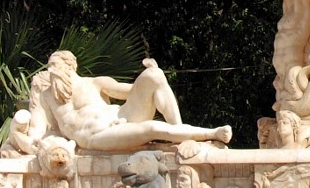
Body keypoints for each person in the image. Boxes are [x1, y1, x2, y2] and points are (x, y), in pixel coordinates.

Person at [27, 50, 232, 152]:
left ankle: (180, 131)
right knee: (151, 127)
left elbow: (131, 92)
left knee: (154, 75)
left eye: (55, 65)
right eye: (49, 67)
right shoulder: (46, 96)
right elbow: (39, 130)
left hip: (123, 117)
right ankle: (210, 134)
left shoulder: (95, 83)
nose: (51, 70)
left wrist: (150, 71)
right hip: (96, 135)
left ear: (70, 65)